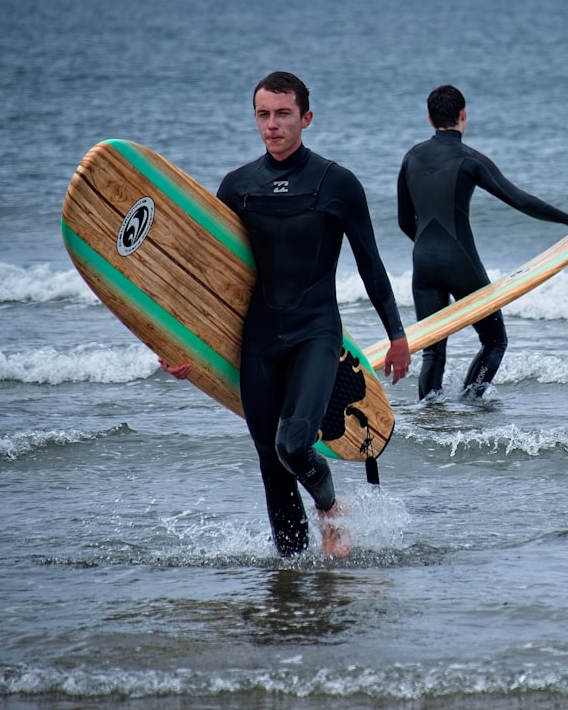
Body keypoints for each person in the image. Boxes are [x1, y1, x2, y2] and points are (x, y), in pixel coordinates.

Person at [161, 71, 410, 557]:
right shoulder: (237, 185)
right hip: (259, 340)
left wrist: (396, 334)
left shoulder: (336, 183)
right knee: (271, 465)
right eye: (263, 115)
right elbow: (208, 277)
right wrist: (180, 345)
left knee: (293, 445)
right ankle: (290, 578)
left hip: (315, 333)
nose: (272, 125)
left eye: (282, 114)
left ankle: (331, 511)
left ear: (306, 118)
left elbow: (371, 264)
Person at [396, 84, 568, 400]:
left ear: (430, 119)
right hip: (459, 261)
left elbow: (405, 221)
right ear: (463, 115)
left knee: (432, 351)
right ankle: (471, 404)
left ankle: (430, 417)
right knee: (494, 340)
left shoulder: (411, 157)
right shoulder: (471, 159)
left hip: (423, 262)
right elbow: (519, 199)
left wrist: (428, 249)